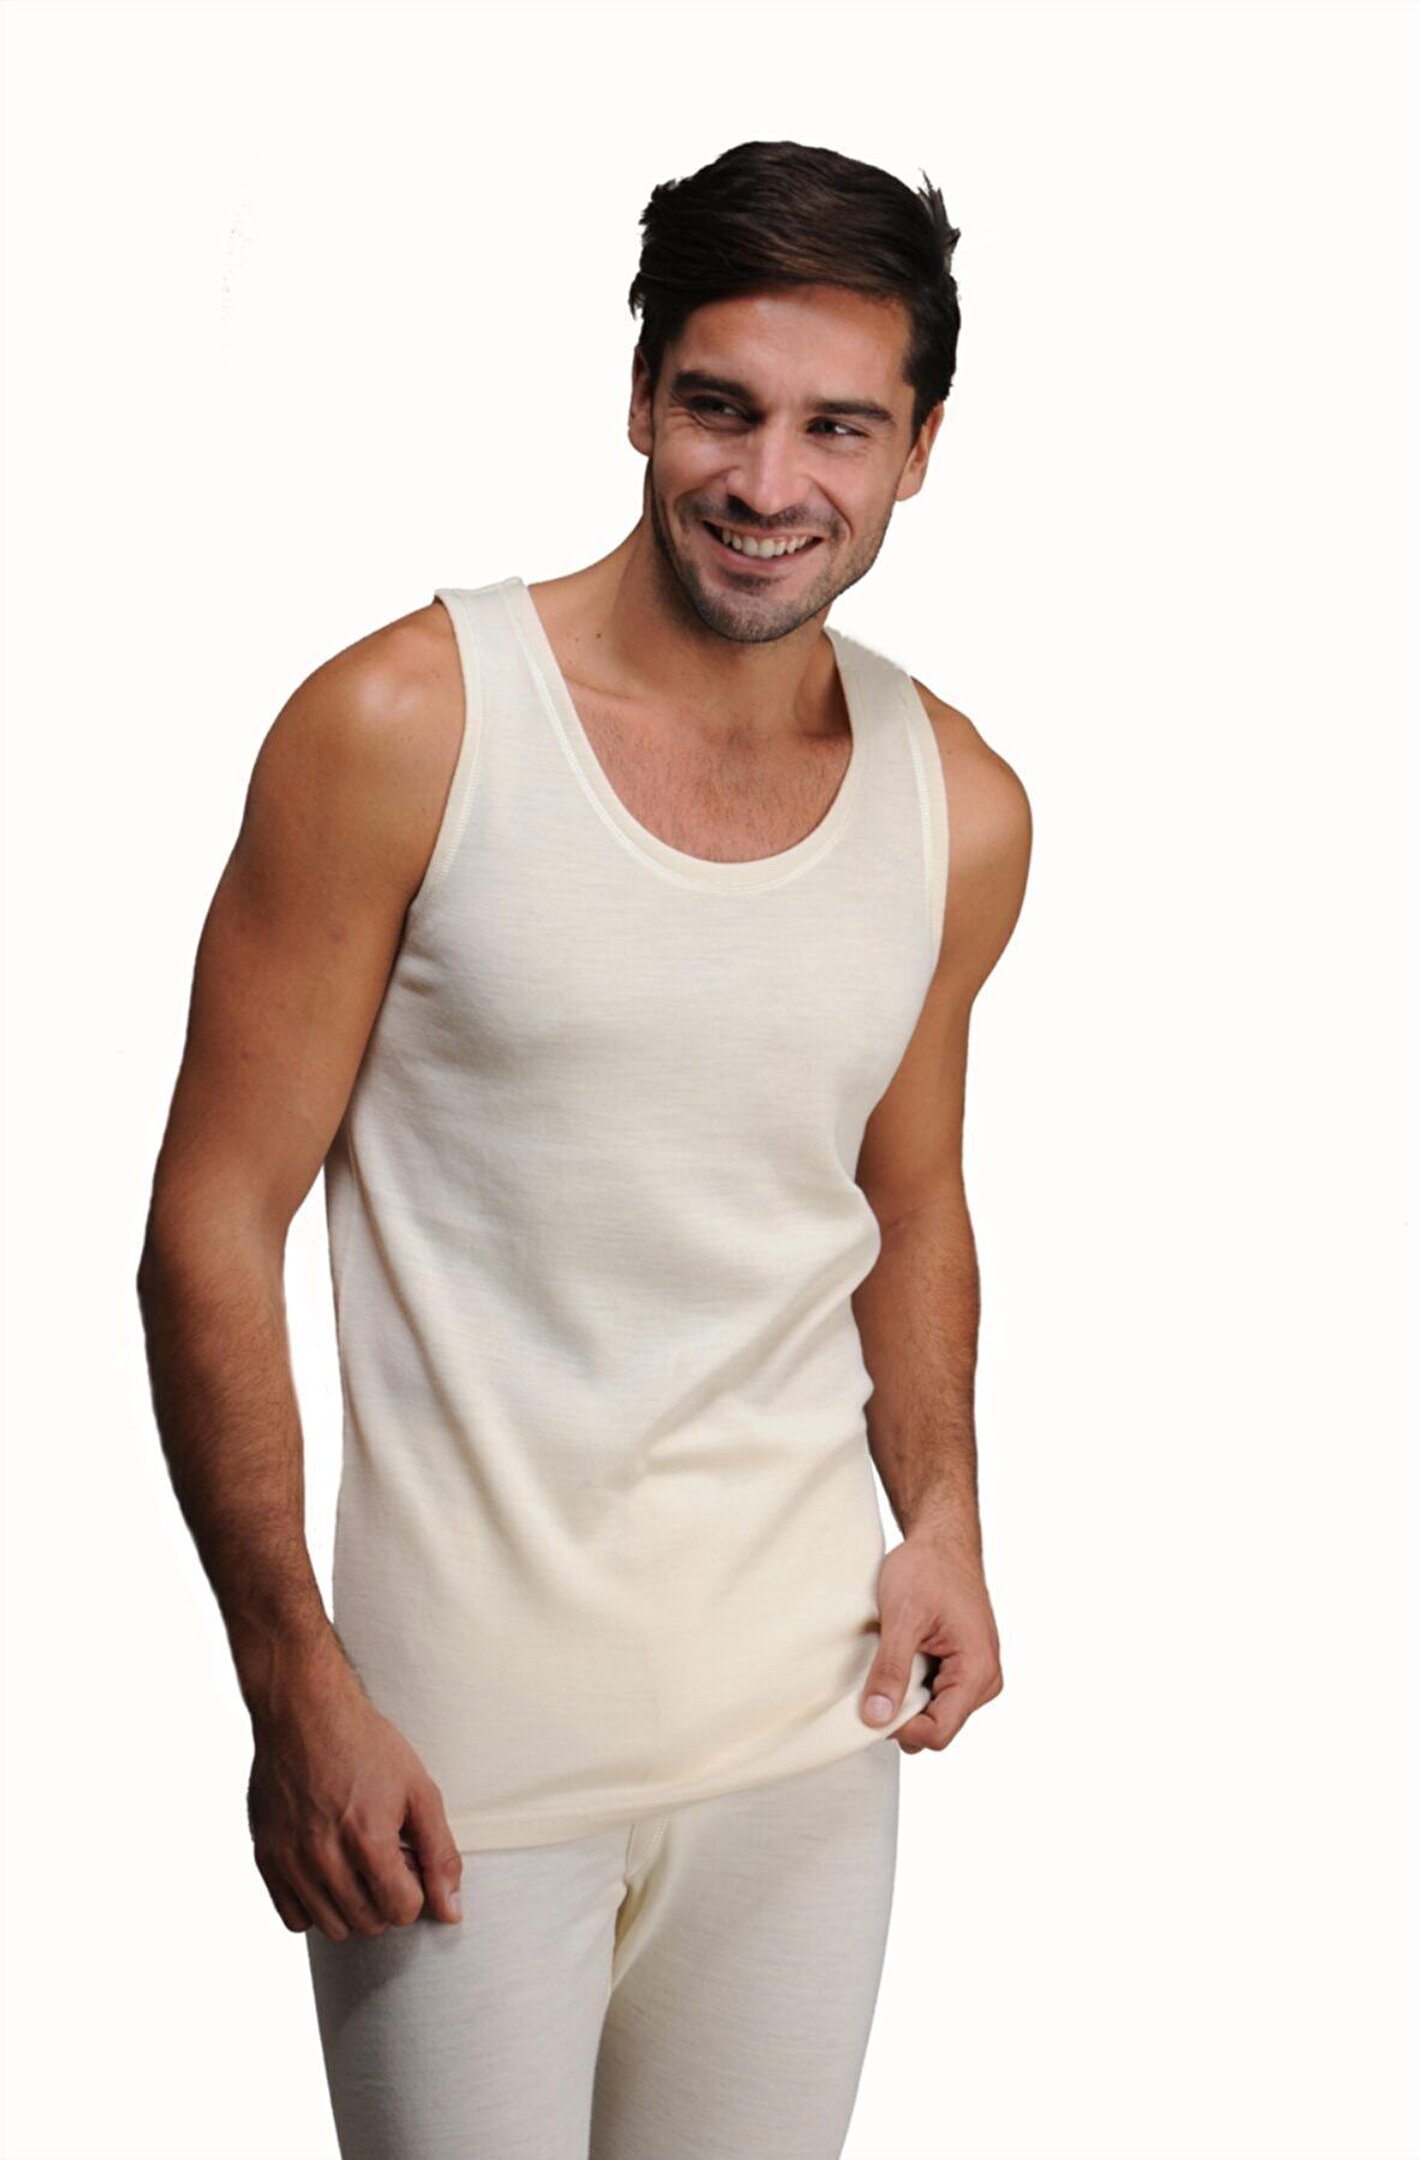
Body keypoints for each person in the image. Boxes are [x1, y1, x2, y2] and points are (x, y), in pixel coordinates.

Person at [137, 137, 1031, 2160]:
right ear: (638, 398)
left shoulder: (957, 807)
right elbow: (211, 1218)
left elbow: (906, 1198)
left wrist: (947, 1513)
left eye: (838, 426)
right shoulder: (406, 724)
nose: (769, 480)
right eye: (721, 406)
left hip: (805, 1731)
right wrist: (293, 1683)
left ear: (919, 450)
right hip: (458, 1753)